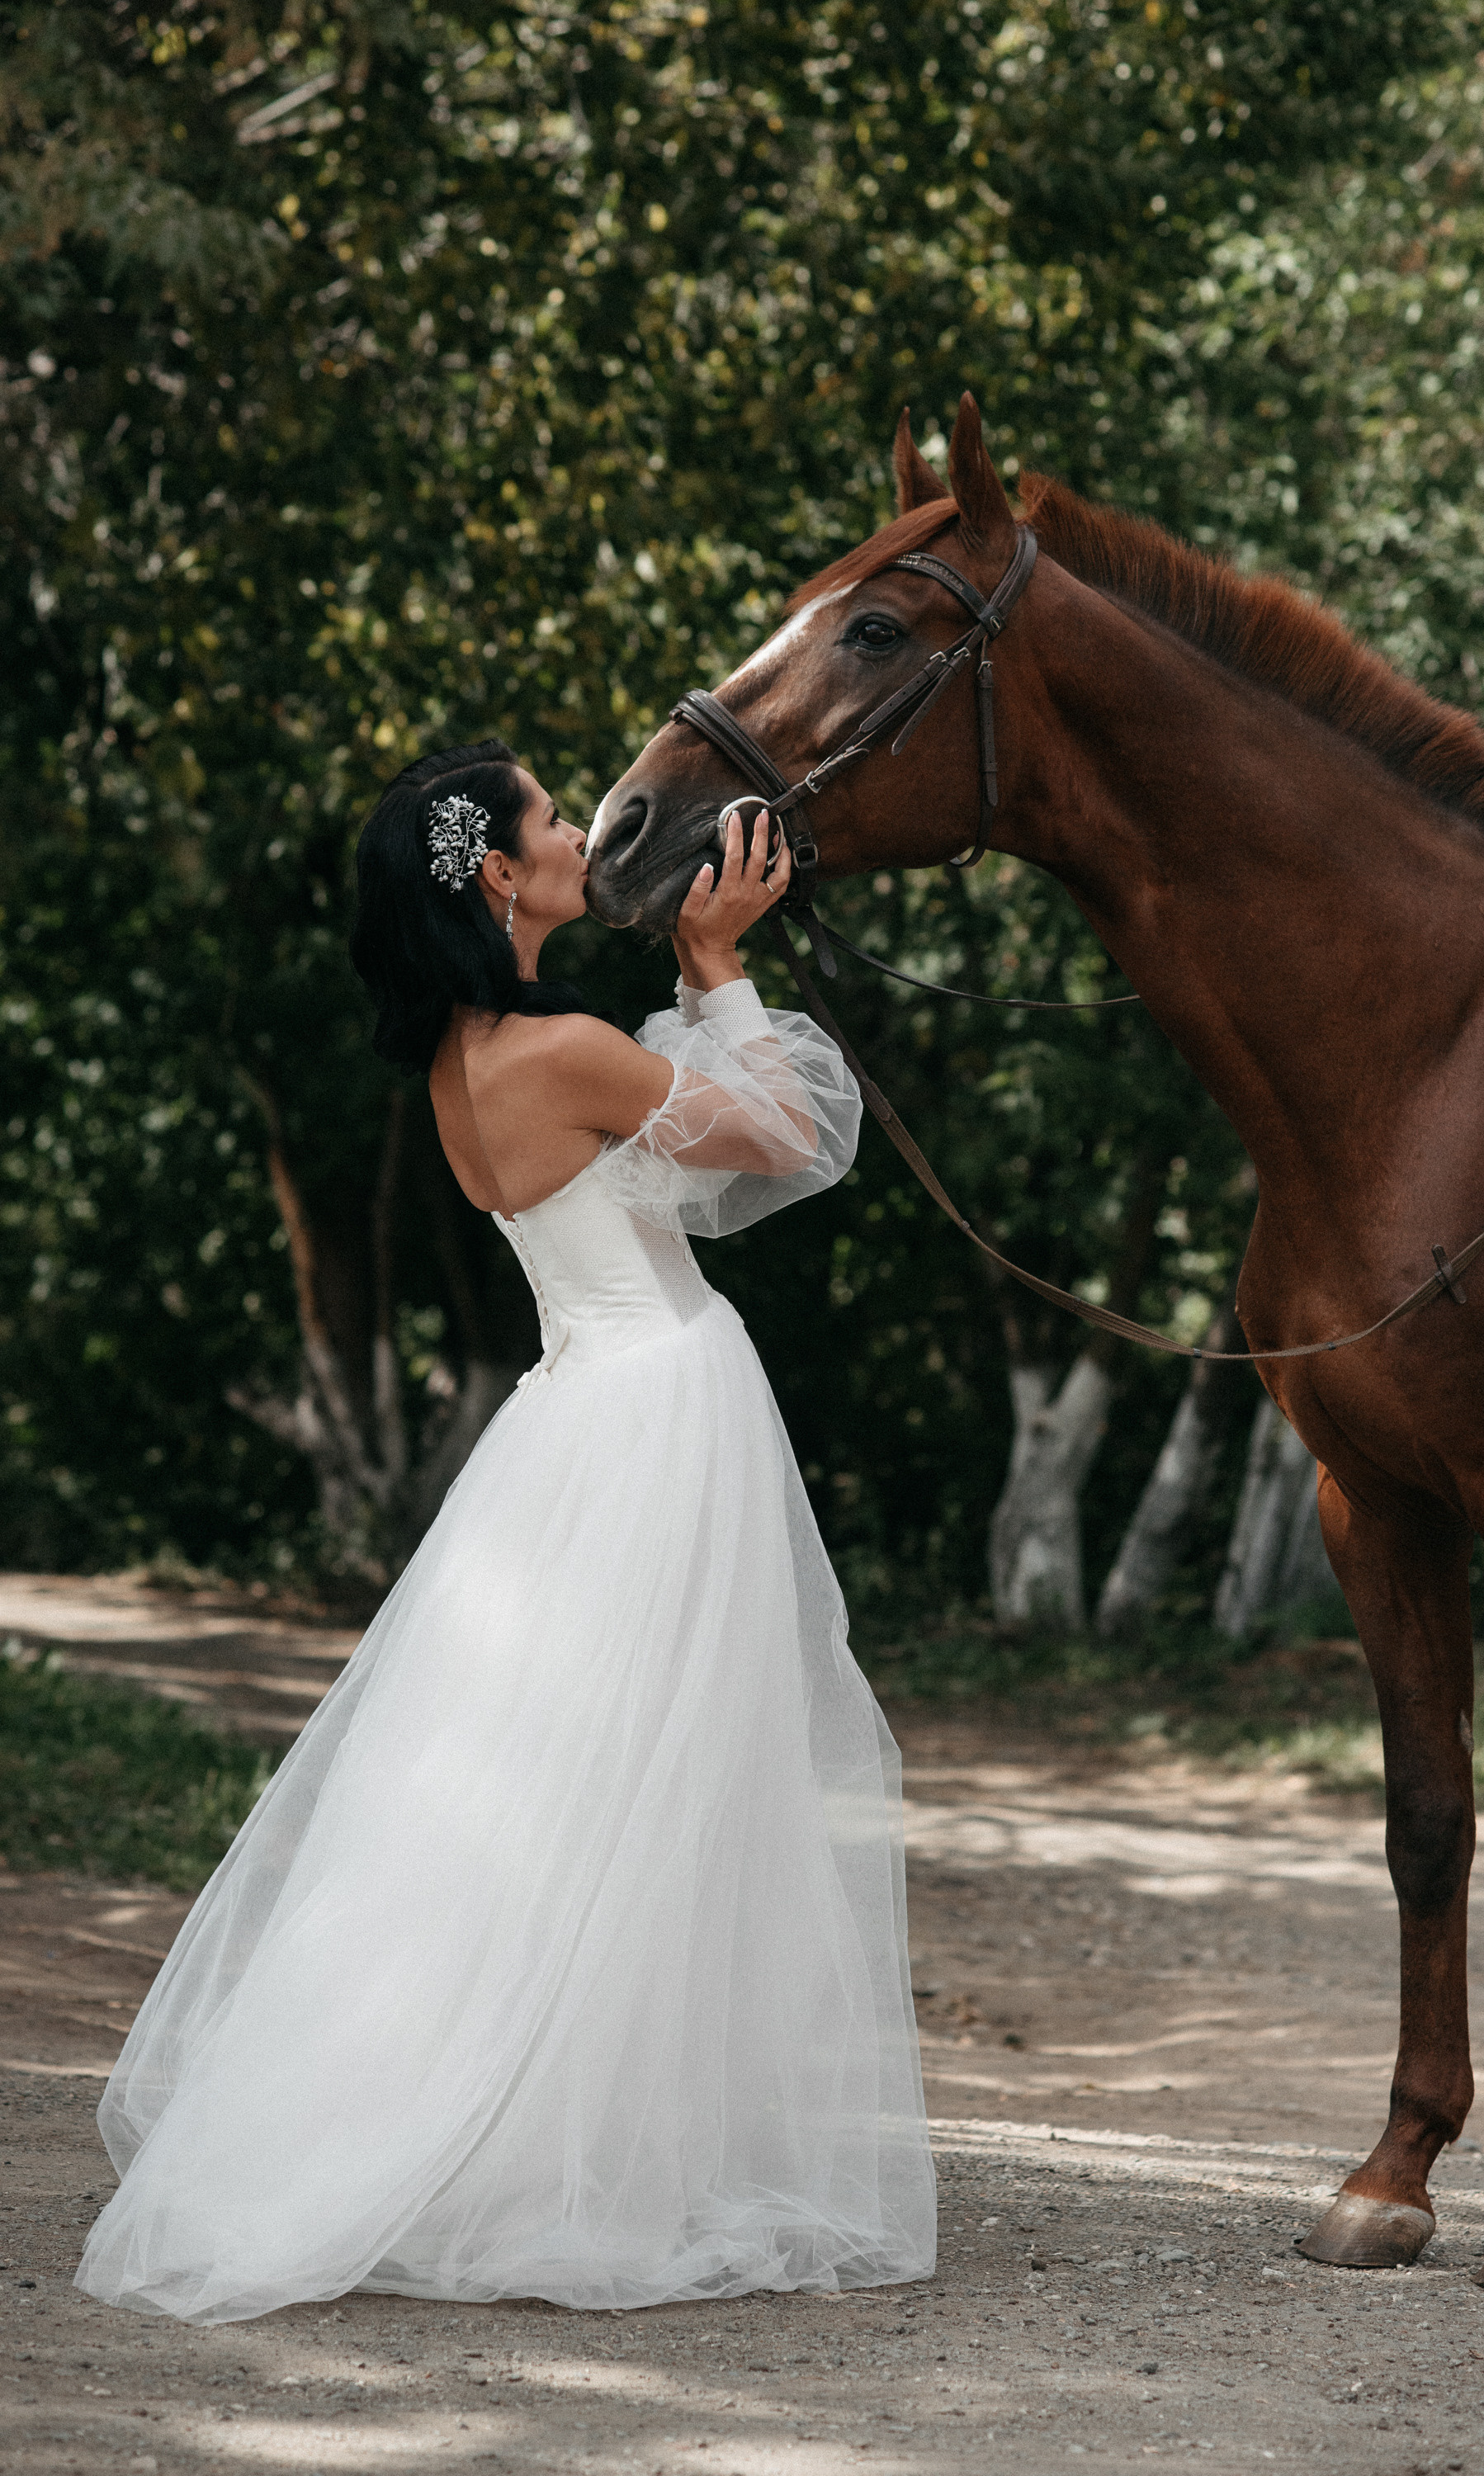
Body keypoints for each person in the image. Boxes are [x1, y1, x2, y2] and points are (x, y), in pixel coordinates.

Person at [76, 739, 935, 2326]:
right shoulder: (563, 1048)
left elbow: (671, 1188)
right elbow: (785, 1146)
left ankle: (550, 2130)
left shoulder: (476, 1058)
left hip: (575, 1414)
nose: (574, 829)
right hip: (656, 1413)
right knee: (652, 1777)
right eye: (550, 818)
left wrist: (686, 991)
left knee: (564, 1782)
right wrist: (716, 964)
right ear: (497, 875)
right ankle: (581, 2151)